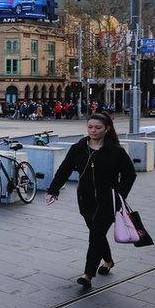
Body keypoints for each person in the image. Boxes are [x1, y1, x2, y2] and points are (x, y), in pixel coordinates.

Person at [45, 112, 136, 289]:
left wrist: (119, 194)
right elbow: (64, 169)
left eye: (98, 127)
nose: (93, 130)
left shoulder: (116, 151)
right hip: (85, 200)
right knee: (98, 234)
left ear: (107, 129)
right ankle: (108, 261)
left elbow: (129, 174)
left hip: (108, 201)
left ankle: (87, 275)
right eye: (90, 127)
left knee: (95, 235)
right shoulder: (78, 148)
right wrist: (53, 190)